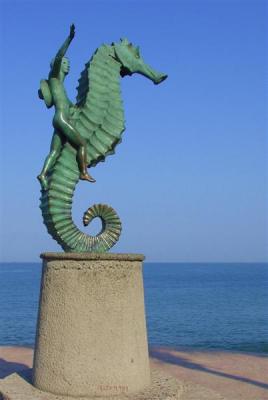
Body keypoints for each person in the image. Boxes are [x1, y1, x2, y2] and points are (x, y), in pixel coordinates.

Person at [37, 24, 95, 190]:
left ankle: (43, 174)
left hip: (58, 121)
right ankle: (83, 172)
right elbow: (58, 55)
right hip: (62, 119)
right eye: (66, 62)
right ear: (59, 65)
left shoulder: (61, 87)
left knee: (54, 152)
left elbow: (71, 106)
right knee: (82, 144)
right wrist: (69, 38)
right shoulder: (54, 79)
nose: (68, 65)